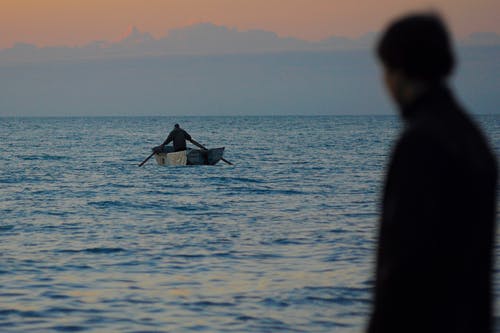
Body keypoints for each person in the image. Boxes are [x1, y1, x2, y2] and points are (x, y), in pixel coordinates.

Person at [368, 13, 497, 333]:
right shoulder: (472, 138)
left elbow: (402, 265)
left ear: (398, 72)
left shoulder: (421, 142)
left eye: (385, 70)